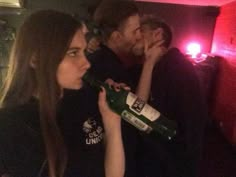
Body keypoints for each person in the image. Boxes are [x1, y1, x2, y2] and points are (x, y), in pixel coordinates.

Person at [0, 10, 125, 177]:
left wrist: (112, 120)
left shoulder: (82, 98)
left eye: (83, 52)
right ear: (35, 58)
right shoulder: (12, 124)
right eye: (73, 53)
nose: (86, 63)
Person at [88, 1, 166, 176]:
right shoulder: (109, 67)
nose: (139, 36)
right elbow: (138, 109)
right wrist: (149, 63)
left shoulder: (106, 58)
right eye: (135, 31)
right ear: (116, 37)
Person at [135, 16, 208, 177]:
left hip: (170, 163)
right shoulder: (159, 66)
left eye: (141, 31)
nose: (136, 37)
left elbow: (142, 114)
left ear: (158, 35)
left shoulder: (175, 68)